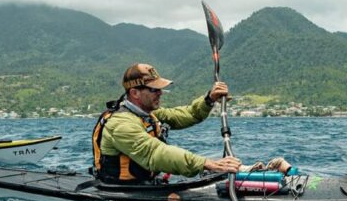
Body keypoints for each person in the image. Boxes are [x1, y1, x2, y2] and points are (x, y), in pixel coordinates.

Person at [92, 63, 241, 183]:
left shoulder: (149, 115)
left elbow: (190, 114)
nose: (160, 93)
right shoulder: (121, 124)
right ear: (134, 93)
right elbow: (155, 153)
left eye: (160, 89)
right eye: (154, 89)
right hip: (119, 194)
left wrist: (209, 99)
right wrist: (207, 164)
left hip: (145, 182)